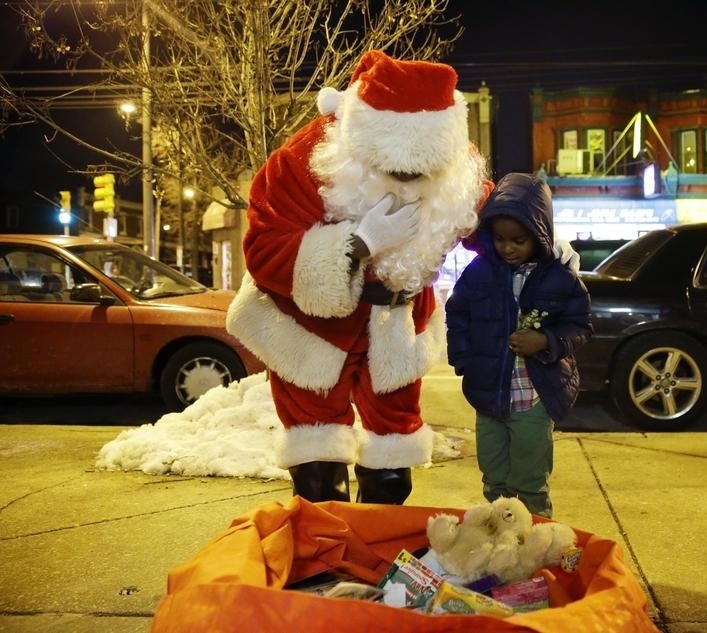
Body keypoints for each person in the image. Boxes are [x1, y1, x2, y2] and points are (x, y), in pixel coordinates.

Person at [226, 50, 493, 505]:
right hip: (309, 327)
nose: (407, 186)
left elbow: (493, 221)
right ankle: (322, 548)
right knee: (316, 452)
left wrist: (544, 243)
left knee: (394, 446)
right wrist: (359, 243)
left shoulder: (459, 171)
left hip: (394, 324)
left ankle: (379, 544)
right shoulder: (302, 161)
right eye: (392, 171)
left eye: (421, 174)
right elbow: (263, 253)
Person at [444, 172, 593, 518]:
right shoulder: (481, 272)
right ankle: (500, 546)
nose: (508, 248)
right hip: (489, 398)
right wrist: (464, 359)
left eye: (519, 240)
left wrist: (546, 341)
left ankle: (536, 546)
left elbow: (581, 326)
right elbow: (457, 312)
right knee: (495, 481)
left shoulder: (559, 277)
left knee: (529, 484)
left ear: (540, 235)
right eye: (500, 239)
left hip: (534, 399)